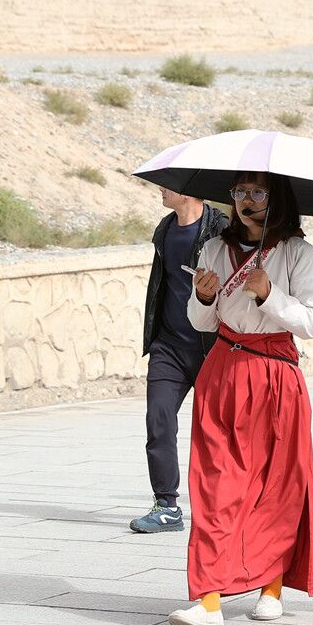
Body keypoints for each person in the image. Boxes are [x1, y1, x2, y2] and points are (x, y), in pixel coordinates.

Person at [168, 171, 313, 625]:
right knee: (215, 485)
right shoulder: (214, 248)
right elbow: (201, 321)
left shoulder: (298, 252)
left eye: (258, 192)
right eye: (239, 192)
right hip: (223, 371)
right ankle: (209, 600)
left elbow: (312, 323)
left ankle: (271, 586)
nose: (246, 201)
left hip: (276, 375)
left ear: (278, 199)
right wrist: (203, 296)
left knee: (275, 486)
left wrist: (270, 293)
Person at [130, 188, 227, 533]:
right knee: (158, 420)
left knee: (217, 431)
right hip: (169, 346)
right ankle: (166, 506)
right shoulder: (165, 229)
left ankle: (223, 505)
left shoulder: (221, 229)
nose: (160, 188)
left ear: (188, 192)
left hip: (211, 347)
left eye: (167, 184)